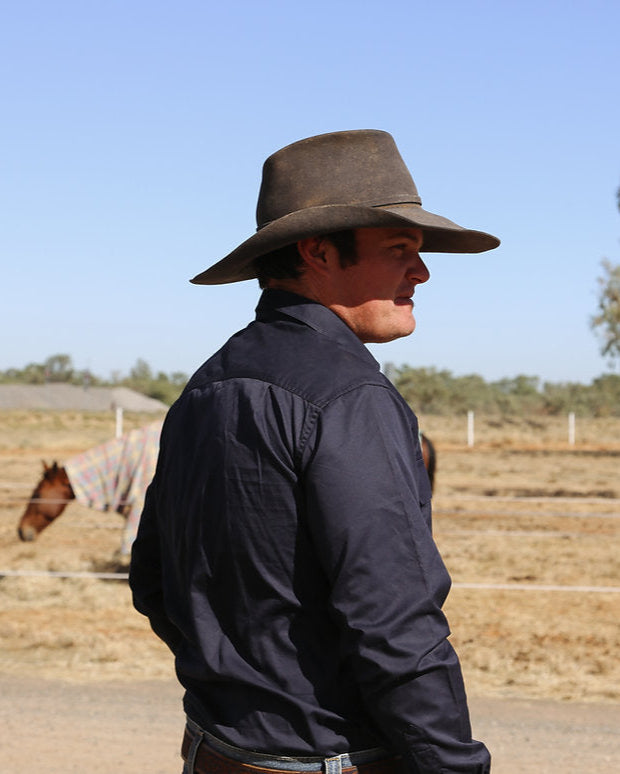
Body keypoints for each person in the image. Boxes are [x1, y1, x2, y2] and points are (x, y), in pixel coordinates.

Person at [129, 129, 500, 774]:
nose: (422, 270)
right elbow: (394, 623)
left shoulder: (204, 388)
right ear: (319, 251)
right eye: (399, 249)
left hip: (216, 750)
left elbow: (155, 580)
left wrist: (242, 691)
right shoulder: (349, 397)